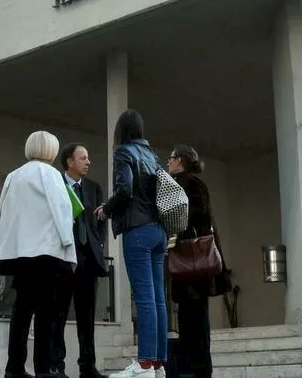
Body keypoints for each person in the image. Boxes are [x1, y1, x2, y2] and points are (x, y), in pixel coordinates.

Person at [0, 131, 77, 378]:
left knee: (21, 310)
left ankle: (14, 367)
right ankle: (43, 369)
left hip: (19, 251)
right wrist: (68, 248)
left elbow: (3, 213)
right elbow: (62, 212)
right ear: (51, 149)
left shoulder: (13, 176)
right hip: (47, 251)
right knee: (46, 311)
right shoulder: (51, 175)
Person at [96, 110, 166, 378]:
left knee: (145, 299)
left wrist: (106, 209)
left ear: (121, 131)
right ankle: (158, 364)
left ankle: (145, 364)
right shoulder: (153, 156)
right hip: (159, 230)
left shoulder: (123, 153)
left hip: (138, 230)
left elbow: (124, 191)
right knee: (159, 299)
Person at [167, 146, 224, 378]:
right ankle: (192, 366)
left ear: (179, 160)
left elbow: (201, 214)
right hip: (186, 260)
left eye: (170, 158)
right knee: (188, 315)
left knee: (196, 316)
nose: (167, 162)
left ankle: (200, 368)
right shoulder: (180, 182)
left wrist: (177, 220)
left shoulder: (192, 183)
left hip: (193, 259)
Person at [53, 143, 108, 378]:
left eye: (88, 158)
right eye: (83, 158)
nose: (88, 162)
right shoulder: (56, 185)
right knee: (59, 314)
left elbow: (101, 220)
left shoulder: (94, 188)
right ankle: (57, 366)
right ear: (69, 162)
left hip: (89, 259)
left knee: (87, 317)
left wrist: (99, 243)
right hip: (64, 259)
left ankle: (88, 366)